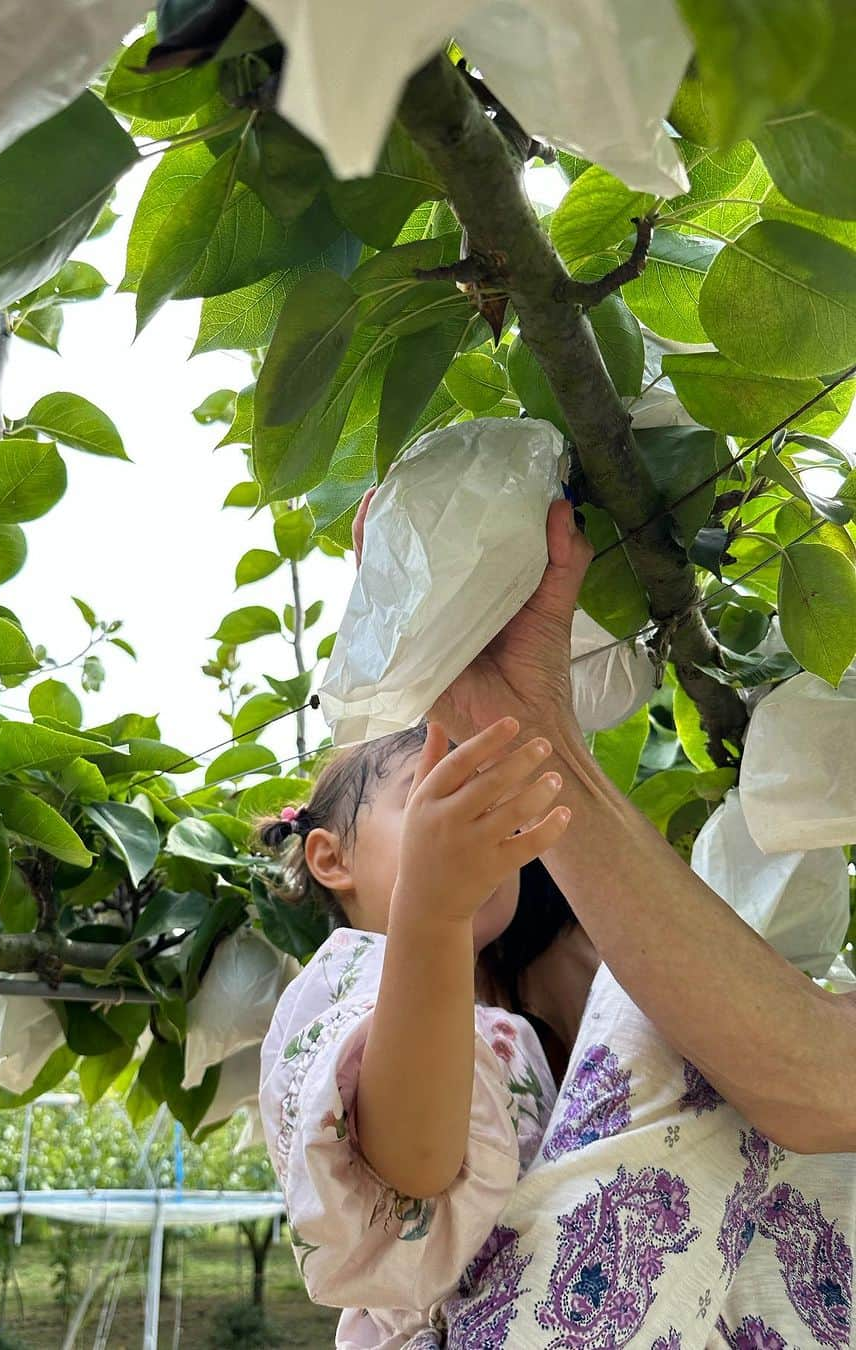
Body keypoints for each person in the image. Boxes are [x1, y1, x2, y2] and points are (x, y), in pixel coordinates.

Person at [256, 496, 855, 1349]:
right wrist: (431, 908)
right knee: (658, 1016)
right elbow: (412, 1173)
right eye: (427, 785)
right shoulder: (347, 980)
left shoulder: (514, 1025)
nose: (480, 808)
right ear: (329, 858)